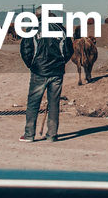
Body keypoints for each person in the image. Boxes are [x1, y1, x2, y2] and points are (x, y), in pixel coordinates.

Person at [18, 8, 74, 142]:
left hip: (39, 72)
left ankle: (29, 135)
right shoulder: (61, 29)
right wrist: (60, 63)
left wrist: (32, 65)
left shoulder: (33, 29)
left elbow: (25, 49)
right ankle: (52, 134)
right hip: (57, 72)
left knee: (33, 103)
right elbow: (68, 50)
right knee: (54, 103)